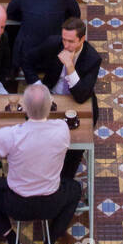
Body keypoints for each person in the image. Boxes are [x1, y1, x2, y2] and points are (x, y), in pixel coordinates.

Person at [0, 82, 82, 244]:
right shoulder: (62, 130)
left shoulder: (12, 135)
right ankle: (50, 243)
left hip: (17, 205)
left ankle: (13, 241)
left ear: (24, 108)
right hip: (51, 203)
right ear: (50, 106)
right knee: (75, 189)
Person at [27, 17, 101, 178]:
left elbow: (81, 96)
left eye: (71, 42)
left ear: (82, 39)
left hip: (77, 105)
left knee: (74, 145)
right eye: (64, 40)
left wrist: (69, 66)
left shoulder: (92, 58)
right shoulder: (54, 44)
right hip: (51, 99)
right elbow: (26, 60)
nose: (66, 46)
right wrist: (38, 85)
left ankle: (64, 180)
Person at [7, 0, 79, 78]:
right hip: (55, 57)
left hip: (28, 57)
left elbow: (10, 12)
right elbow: (76, 14)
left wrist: (27, 15)